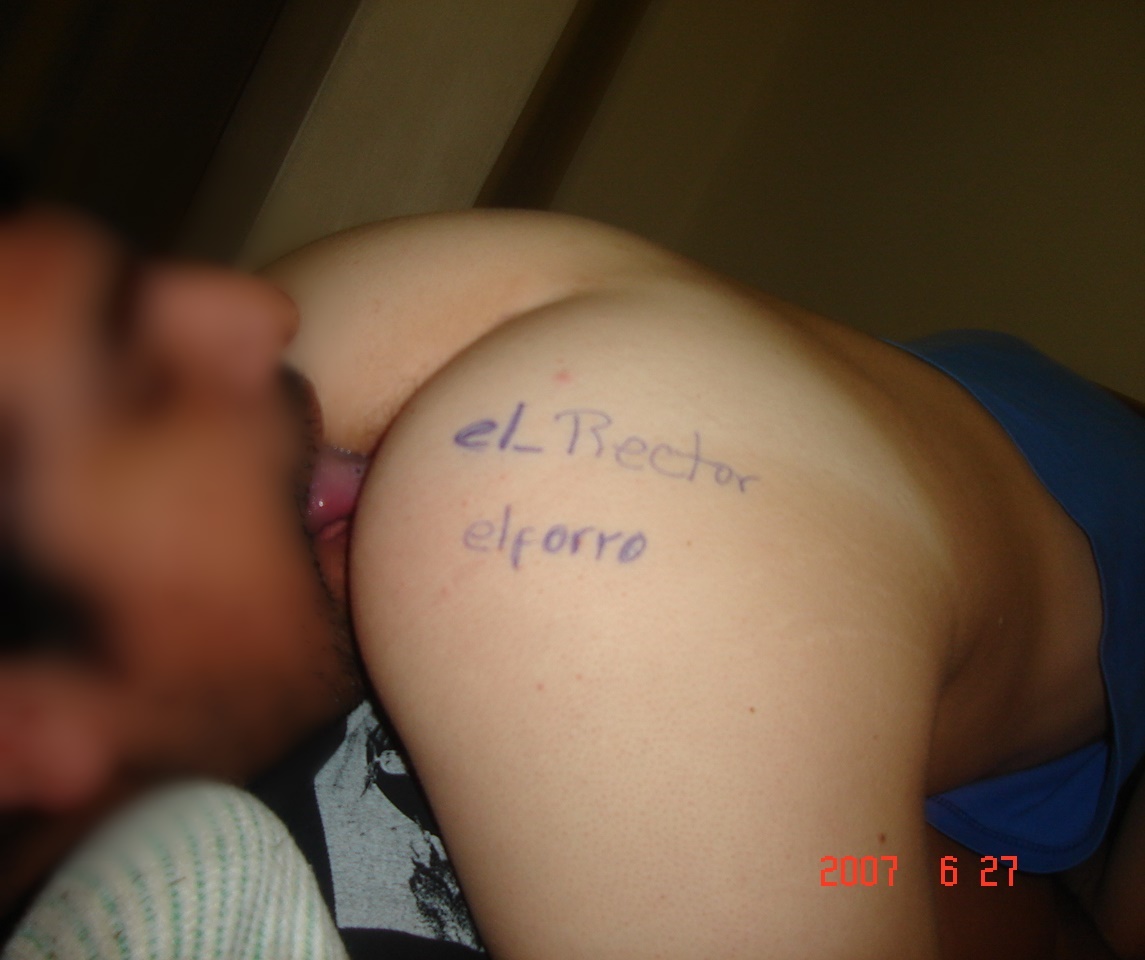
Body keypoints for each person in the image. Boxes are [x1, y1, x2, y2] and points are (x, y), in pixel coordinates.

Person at [1, 200, 1142, 959]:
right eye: (128, 391)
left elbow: (953, 899)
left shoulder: (543, 552)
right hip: (951, 484)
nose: (260, 311)